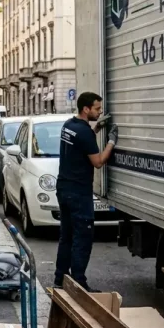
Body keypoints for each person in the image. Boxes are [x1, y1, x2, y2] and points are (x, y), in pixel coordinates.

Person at [53, 91, 118, 292]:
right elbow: (98, 162)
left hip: (63, 189)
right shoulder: (83, 132)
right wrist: (111, 142)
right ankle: (79, 282)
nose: (99, 112)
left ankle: (60, 278)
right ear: (86, 109)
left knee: (67, 236)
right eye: (97, 109)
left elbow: (81, 142)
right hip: (79, 193)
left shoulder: (68, 126)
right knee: (83, 237)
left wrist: (97, 128)